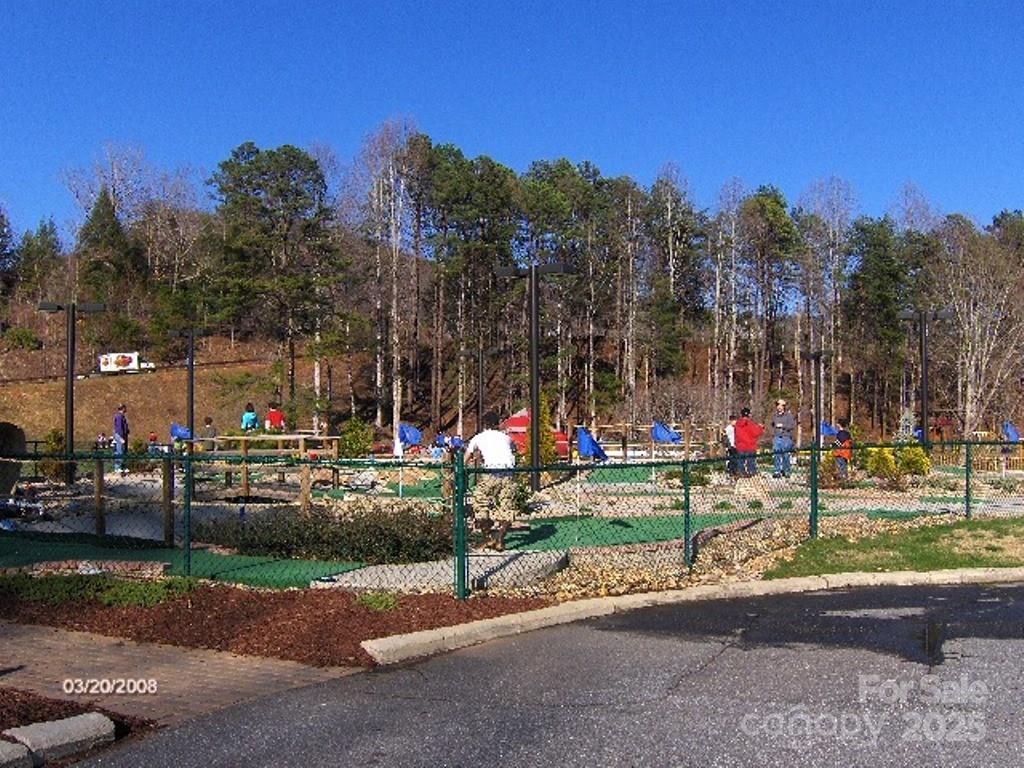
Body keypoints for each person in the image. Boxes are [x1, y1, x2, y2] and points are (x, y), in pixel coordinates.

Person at [465, 412, 522, 552]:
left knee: (479, 503)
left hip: (491, 474)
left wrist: (459, 470)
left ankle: (489, 537)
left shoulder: (478, 438)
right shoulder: (506, 437)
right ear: (497, 423)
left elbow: (466, 456)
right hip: (508, 474)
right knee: (508, 507)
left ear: (484, 424)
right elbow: (514, 451)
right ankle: (500, 539)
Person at [734, 407, 764, 477]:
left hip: (740, 446)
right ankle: (751, 473)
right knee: (751, 462)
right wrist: (761, 428)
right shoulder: (750, 423)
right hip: (750, 446)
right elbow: (755, 433)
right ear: (749, 415)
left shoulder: (737, 424)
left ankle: (741, 473)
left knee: (741, 462)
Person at [771, 399, 797, 478]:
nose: (778, 406)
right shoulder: (775, 415)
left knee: (786, 454)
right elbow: (773, 424)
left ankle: (787, 471)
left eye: (780, 405)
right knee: (776, 453)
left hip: (786, 437)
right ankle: (777, 471)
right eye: (777, 405)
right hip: (777, 436)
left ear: (784, 406)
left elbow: (792, 426)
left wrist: (783, 426)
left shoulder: (788, 415)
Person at [112, 403, 130, 475]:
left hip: (123, 435)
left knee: (124, 451)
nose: (126, 409)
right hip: (120, 435)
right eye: (125, 408)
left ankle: (123, 466)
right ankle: (118, 467)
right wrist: (121, 437)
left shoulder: (122, 416)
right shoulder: (119, 416)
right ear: (122, 408)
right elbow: (119, 427)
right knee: (120, 451)